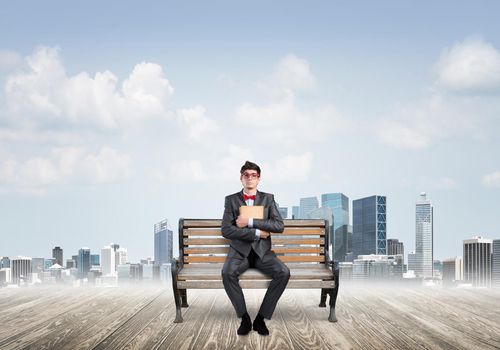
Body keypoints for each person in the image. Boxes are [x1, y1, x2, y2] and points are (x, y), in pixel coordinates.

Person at [221, 161, 290, 336]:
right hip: (239, 252)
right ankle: (244, 317)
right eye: (246, 175)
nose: (250, 178)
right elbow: (226, 229)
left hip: (262, 253)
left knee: (284, 272)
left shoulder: (268, 198)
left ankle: (260, 318)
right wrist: (257, 233)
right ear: (241, 178)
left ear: (259, 179)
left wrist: (249, 222)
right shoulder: (231, 200)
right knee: (227, 273)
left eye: (253, 175)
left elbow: (278, 225)